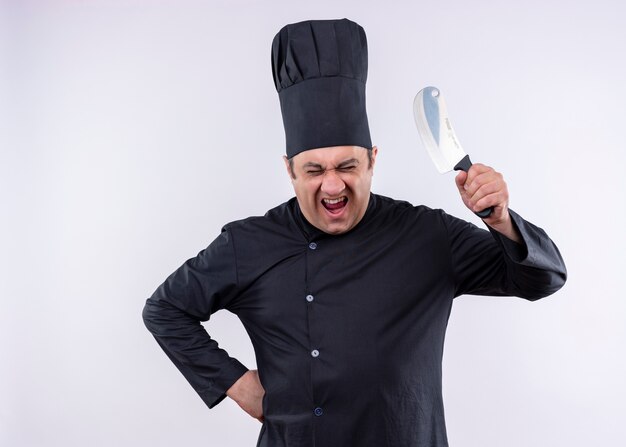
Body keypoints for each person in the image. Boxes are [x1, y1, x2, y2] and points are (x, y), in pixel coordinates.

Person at [142, 18, 566, 447]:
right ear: (289, 169)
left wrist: (501, 220)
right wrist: (235, 383)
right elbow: (165, 310)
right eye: (314, 170)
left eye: (347, 166)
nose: (332, 185)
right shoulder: (248, 243)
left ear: (372, 161)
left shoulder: (426, 234)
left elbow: (544, 279)